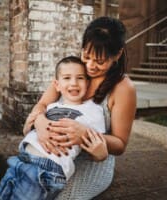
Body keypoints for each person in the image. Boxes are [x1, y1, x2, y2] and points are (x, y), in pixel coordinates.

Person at [24, 16, 136, 200]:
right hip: (52, 152)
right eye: (86, 55)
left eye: (100, 61)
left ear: (117, 55)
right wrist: (41, 121)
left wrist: (85, 134)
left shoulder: (123, 88)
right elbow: (42, 104)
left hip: (92, 161)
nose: (90, 66)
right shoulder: (74, 69)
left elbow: (120, 144)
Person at [0, 56, 108, 200]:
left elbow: (96, 144)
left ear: (88, 83)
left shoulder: (93, 110)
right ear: (57, 85)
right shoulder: (51, 106)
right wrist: (30, 127)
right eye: (67, 78)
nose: (73, 83)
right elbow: (29, 131)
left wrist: (100, 155)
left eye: (80, 78)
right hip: (21, 159)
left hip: (46, 169)